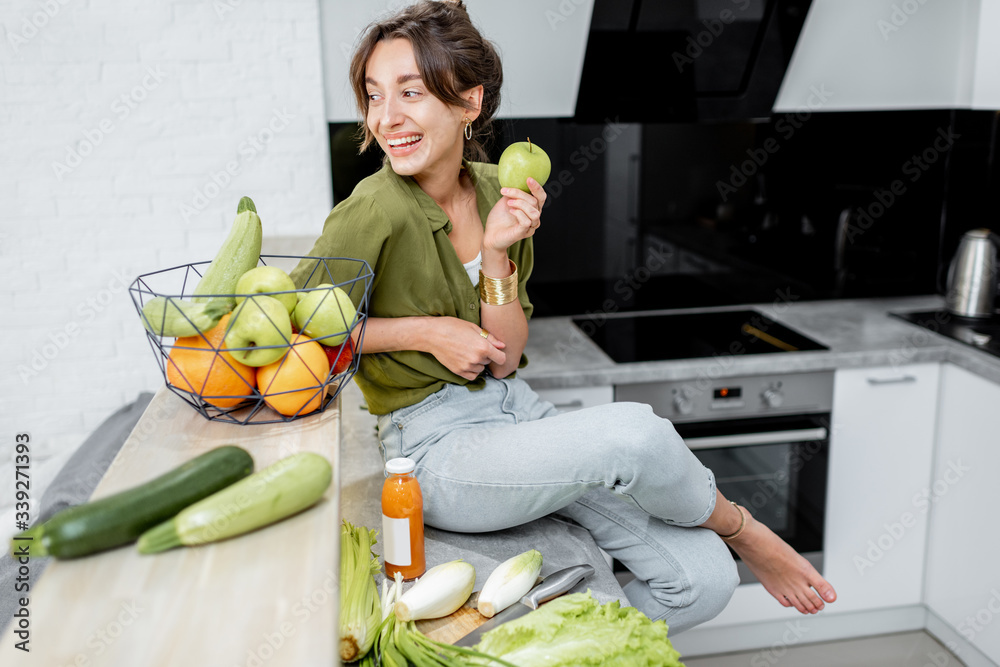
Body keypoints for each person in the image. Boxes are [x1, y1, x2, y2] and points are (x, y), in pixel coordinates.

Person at [291, 0, 836, 634]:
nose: (387, 118)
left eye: (409, 93)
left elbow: (504, 355)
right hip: (432, 446)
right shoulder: (373, 208)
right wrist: (424, 332)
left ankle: (552, 647)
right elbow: (298, 324)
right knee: (636, 433)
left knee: (705, 581)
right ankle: (748, 531)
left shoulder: (502, 190)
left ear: (469, 102)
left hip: (514, 412)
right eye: (374, 94)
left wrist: (496, 252)